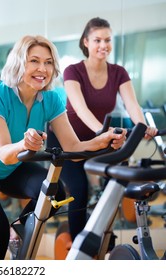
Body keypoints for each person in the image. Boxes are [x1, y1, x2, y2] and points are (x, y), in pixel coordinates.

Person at [0, 34, 126, 260]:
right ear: (19, 63)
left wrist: (101, 141)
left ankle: (20, 229)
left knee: (54, 192)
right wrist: (24, 144)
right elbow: (3, 153)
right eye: (34, 61)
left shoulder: (51, 99)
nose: (42, 68)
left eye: (48, 62)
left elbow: (72, 147)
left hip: (10, 169)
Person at [46, 17, 157, 244]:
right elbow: (79, 108)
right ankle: (80, 246)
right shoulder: (73, 71)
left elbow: (132, 105)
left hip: (98, 139)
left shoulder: (118, 72)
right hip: (67, 140)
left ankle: (102, 233)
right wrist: (102, 132)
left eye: (107, 40)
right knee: (78, 188)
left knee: (118, 177)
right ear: (86, 42)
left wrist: (143, 127)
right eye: (97, 40)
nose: (103, 45)